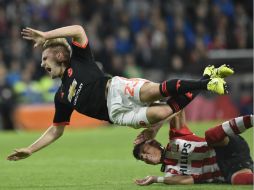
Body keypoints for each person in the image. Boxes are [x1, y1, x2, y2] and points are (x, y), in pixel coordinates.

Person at [7, 25, 233, 161]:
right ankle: (206, 78)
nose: (41, 64)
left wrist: (46, 35)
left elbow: (78, 30)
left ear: (59, 55)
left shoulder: (79, 59)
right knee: (162, 113)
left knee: (153, 91)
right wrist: (30, 149)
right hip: (116, 116)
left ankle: (205, 84)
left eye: (44, 58)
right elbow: (55, 131)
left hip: (116, 89)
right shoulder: (61, 96)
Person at [133, 110, 253, 185]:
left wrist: (155, 127)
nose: (145, 157)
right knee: (238, 181)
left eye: (145, 151)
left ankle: (251, 120)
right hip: (229, 170)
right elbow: (187, 180)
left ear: (153, 143)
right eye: (142, 158)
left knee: (210, 136)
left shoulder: (176, 137)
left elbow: (177, 108)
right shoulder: (170, 173)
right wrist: (155, 179)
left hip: (225, 147)